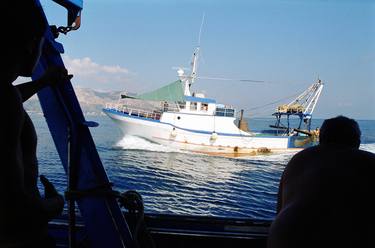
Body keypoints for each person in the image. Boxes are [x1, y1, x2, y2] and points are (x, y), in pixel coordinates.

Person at [0, 1, 71, 247]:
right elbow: (14, 207)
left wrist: (42, 82)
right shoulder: (6, 102)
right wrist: (54, 205)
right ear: (32, 45)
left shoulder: (5, 96)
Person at [267, 116, 375, 248]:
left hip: (283, 235)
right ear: (357, 142)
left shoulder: (299, 159)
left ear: (321, 139)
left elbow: (280, 209)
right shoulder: (369, 161)